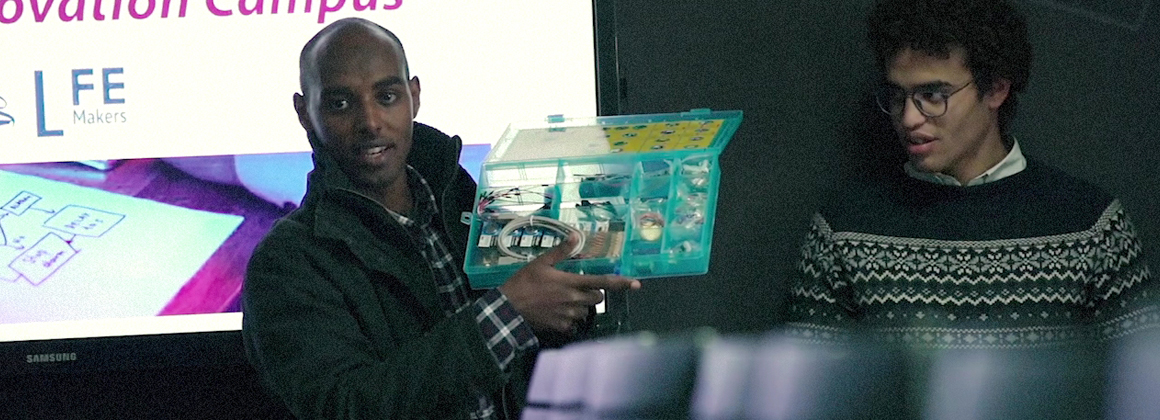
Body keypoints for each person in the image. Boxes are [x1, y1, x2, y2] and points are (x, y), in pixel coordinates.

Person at [241, 17, 640, 419]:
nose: (370, 122)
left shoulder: (462, 198)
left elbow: (532, 358)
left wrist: (569, 294)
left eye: (387, 96)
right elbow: (347, 406)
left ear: (414, 96)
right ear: (304, 112)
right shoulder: (287, 262)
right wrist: (509, 311)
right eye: (340, 103)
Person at [786, 0, 1157, 349]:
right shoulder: (844, 229)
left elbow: (1140, 389)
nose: (909, 118)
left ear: (995, 88)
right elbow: (808, 394)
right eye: (898, 96)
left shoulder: (1091, 226)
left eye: (933, 95)